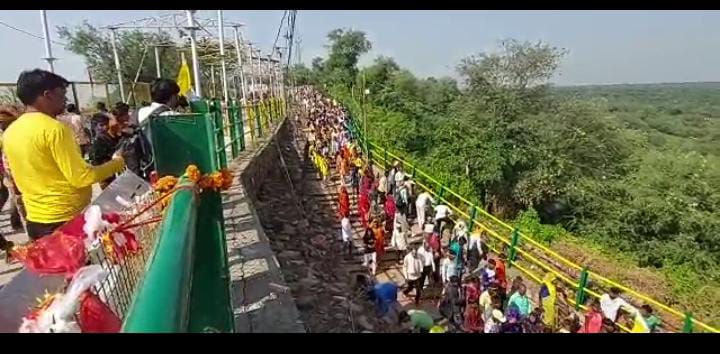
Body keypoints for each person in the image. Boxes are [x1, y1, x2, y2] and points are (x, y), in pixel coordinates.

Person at [4, 69, 125, 240]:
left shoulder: (11, 131)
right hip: (64, 221)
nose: (66, 100)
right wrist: (119, 162)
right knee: (81, 267)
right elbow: (82, 177)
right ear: (47, 95)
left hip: (36, 221)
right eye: (62, 95)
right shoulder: (55, 129)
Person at [88, 113, 121, 189]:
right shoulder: (97, 143)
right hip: (105, 176)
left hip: (113, 171)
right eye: (101, 125)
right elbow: (96, 162)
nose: (105, 127)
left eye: (106, 124)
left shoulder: (107, 137)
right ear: (94, 127)